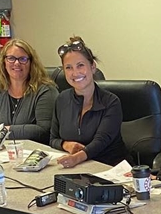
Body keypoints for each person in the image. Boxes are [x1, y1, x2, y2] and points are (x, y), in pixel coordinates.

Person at [50, 37, 124, 168]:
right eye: (68, 67)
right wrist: (66, 145)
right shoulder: (61, 99)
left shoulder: (111, 102)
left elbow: (101, 142)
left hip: (108, 168)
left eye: (80, 65)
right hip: (74, 168)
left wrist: (76, 158)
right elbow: (53, 139)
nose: (75, 73)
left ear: (93, 67)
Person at [0, 39, 57, 145]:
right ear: (4, 62)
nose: (16, 63)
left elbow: (44, 130)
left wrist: (2, 131)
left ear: (31, 63)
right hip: (2, 152)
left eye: (23, 59)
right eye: (11, 58)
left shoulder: (46, 91)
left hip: (34, 152)